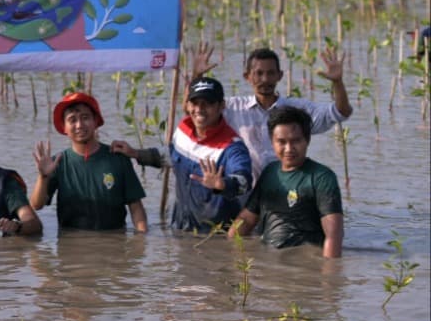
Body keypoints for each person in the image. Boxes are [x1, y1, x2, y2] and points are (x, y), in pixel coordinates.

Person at [113, 77, 253, 233]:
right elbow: (170, 155)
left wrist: (223, 184)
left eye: (208, 103)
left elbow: (244, 182)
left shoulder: (232, 147)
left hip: (215, 235)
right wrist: (135, 153)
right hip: (180, 228)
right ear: (187, 104)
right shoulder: (183, 130)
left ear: (221, 106)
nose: (199, 109)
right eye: (195, 103)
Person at [192, 43, 351, 179]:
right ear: (247, 76)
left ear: (280, 76)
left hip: (284, 192)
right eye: (258, 73)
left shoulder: (296, 110)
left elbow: (341, 112)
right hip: (245, 191)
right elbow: (195, 111)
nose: (265, 80)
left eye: (270, 73)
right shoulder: (232, 108)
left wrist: (338, 82)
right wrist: (197, 76)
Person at [228, 106, 344, 258]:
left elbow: (334, 235)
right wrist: (229, 252)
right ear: (272, 141)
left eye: (296, 141)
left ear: (307, 140)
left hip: (304, 263)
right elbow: (247, 219)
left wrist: (328, 277)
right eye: (281, 142)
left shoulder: (322, 177)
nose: (289, 149)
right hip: (269, 260)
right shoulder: (270, 172)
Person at [30, 92, 148, 233]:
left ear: (96, 121)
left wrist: (142, 240)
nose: (79, 125)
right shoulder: (58, 163)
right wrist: (43, 177)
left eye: (85, 118)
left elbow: (136, 207)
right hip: (71, 245)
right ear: (64, 127)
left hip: (113, 244)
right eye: (72, 120)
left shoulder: (118, 158)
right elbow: (36, 205)